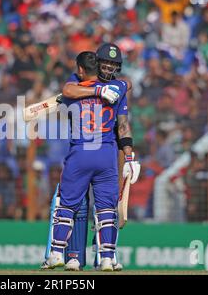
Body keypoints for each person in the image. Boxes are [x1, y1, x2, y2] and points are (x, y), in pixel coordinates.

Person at [44, 45, 140, 271]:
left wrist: (129, 156)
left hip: (81, 153)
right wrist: (106, 90)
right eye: (106, 63)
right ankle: (107, 257)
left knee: (67, 204)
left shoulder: (82, 85)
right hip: (105, 154)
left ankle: (57, 253)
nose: (109, 67)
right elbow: (123, 123)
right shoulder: (115, 87)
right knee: (106, 208)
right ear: (96, 64)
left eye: (114, 65)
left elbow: (68, 91)